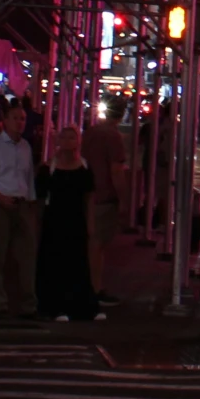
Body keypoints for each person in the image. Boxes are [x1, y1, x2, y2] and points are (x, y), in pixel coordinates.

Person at [0, 102, 38, 316]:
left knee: (27, 255)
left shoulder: (25, 147)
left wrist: (30, 201)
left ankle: (28, 301)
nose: (20, 123)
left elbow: (28, 177)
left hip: (21, 203)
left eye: (22, 118)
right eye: (15, 118)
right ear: (5, 120)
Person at [36, 126, 101, 321]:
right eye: (63, 137)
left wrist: (90, 223)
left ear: (78, 141)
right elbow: (39, 198)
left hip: (76, 220)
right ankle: (55, 306)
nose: (67, 141)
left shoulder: (84, 167)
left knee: (78, 263)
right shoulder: (49, 168)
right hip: (54, 220)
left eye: (72, 137)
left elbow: (89, 197)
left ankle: (81, 307)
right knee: (55, 263)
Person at [81, 101, 129, 301]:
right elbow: (116, 170)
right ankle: (94, 289)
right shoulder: (113, 136)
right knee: (97, 245)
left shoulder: (90, 132)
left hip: (86, 193)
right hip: (104, 195)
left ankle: (89, 287)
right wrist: (124, 198)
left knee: (90, 242)